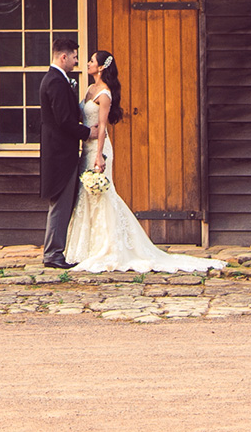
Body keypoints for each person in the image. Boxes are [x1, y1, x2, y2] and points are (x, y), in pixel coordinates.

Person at [64, 52, 225, 274]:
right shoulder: (90, 89)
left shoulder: (104, 94)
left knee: (103, 195)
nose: (88, 64)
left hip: (98, 149)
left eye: (92, 61)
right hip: (86, 148)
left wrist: (99, 155)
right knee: (87, 196)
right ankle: (86, 248)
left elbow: (102, 127)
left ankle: (109, 246)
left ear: (101, 67)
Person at [38, 34, 90, 268]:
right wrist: (89, 133)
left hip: (60, 152)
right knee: (60, 203)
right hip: (59, 154)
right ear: (63, 57)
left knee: (62, 203)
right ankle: (53, 254)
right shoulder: (56, 82)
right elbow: (64, 122)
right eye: (74, 57)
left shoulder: (57, 79)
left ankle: (55, 251)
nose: (76, 62)